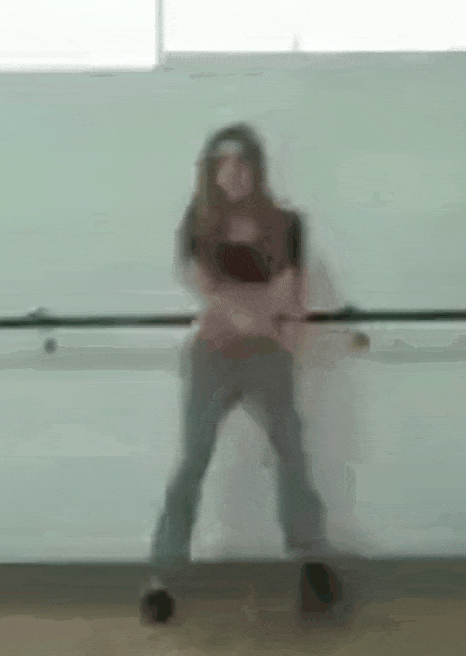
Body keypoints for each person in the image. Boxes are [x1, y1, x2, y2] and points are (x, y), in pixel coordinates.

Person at [141, 123, 337, 623]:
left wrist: (252, 311)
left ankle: (313, 565)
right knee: (192, 462)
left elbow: (289, 297)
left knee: (292, 459)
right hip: (213, 358)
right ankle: (163, 576)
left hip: (269, 359)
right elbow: (211, 292)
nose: (233, 175)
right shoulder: (197, 225)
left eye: (242, 164)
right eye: (222, 166)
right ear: (211, 172)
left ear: (256, 168)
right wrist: (255, 306)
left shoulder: (287, 224)